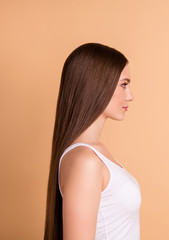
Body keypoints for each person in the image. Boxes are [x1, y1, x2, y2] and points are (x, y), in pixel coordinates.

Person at [44, 43, 141, 240]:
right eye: (124, 84)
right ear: (97, 85)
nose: (130, 96)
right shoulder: (85, 161)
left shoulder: (95, 153)